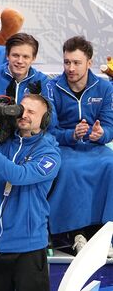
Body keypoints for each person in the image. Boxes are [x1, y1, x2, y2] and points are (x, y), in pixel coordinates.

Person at [0, 93, 61, 290]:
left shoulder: (50, 153)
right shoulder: (2, 145)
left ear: (45, 119)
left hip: (28, 250)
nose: (24, 114)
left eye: (32, 112)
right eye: (22, 109)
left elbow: (18, 176)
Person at [47, 36, 113, 255]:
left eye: (76, 62)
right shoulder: (52, 87)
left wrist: (101, 134)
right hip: (62, 146)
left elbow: (109, 126)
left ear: (89, 63)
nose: (70, 68)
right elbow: (49, 130)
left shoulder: (104, 88)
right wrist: (71, 135)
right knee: (69, 169)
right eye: (67, 62)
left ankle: (105, 232)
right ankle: (74, 232)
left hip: (95, 147)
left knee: (110, 164)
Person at [0, 33, 50, 103]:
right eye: (15, 55)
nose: (20, 61)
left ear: (33, 58)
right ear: (7, 55)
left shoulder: (42, 81)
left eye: (25, 57)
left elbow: (50, 113)